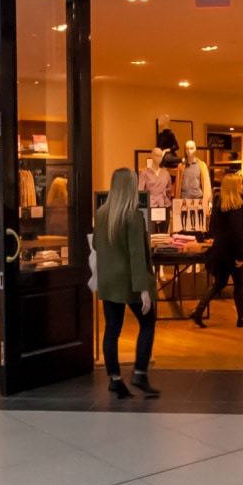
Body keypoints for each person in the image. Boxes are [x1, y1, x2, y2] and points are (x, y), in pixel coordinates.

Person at [92, 167, 159, 398]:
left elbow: (96, 246)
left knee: (112, 330)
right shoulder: (133, 215)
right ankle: (140, 373)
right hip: (130, 281)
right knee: (148, 322)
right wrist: (143, 290)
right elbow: (137, 255)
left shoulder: (101, 214)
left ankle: (115, 378)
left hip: (109, 282)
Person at [189, 173, 243, 329]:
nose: (242, 186)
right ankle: (242, 318)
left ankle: (199, 311)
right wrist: (240, 256)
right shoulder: (236, 206)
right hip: (232, 252)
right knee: (239, 284)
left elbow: (213, 228)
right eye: (240, 184)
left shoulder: (218, 205)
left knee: (219, 282)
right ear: (234, 187)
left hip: (219, 250)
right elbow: (237, 234)